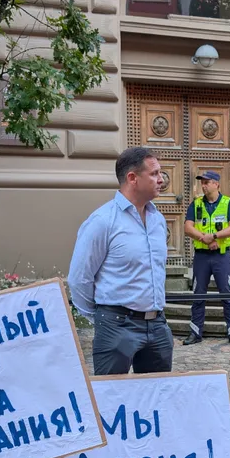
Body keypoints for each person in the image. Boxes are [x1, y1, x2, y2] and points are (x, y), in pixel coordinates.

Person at [68, 147, 173, 375]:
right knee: (112, 399)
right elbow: (79, 279)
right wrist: (102, 317)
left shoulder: (158, 220)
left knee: (157, 398)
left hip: (157, 325)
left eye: (160, 173)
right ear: (132, 178)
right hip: (116, 324)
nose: (161, 179)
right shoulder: (102, 221)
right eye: (154, 174)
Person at [182, 171, 230, 346]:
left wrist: (214, 236)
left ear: (216, 184)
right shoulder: (196, 204)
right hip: (201, 257)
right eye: (202, 182)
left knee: (227, 294)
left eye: (207, 182)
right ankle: (195, 333)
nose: (203, 185)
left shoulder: (228, 203)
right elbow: (188, 228)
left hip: (221, 257)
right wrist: (205, 238)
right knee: (198, 295)